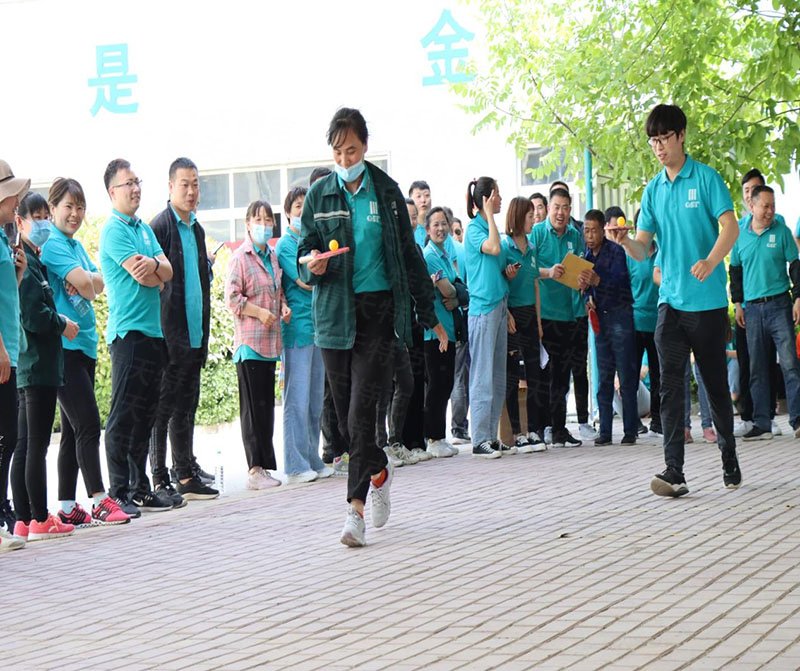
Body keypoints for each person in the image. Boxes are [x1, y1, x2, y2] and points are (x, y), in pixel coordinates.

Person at [298, 107, 444, 547]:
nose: (345, 160)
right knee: (347, 426)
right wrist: (312, 264)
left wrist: (430, 316)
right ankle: (379, 471)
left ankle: (354, 512)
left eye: (352, 150)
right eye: (338, 152)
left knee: (361, 413)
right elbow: (304, 251)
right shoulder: (319, 195)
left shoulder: (387, 192)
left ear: (365, 146)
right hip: (334, 314)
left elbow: (409, 257)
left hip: (378, 313)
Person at [611, 103, 741, 497]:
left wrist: (711, 261)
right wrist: (625, 242)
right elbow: (643, 248)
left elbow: (730, 227)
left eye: (664, 138)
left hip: (707, 304)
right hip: (669, 303)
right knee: (669, 386)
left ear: (681, 136)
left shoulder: (706, 178)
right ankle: (674, 471)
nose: (658, 147)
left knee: (715, 386)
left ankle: (729, 454)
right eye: (653, 141)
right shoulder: (653, 189)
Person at [41, 178, 130, 527]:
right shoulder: (52, 245)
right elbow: (87, 284)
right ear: (52, 209)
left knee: (72, 431)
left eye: (80, 207)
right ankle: (98, 500)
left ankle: (67, 506)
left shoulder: (75, 246)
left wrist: (88, 280)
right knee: (89, 423)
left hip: (84, 346)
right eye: (68, 206)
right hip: (64, 348)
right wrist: (87, 281)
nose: (75, 214)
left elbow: (97, 284)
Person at [100, 158, 174, 514]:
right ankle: (117, 491)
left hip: (153, 334)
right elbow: (143, 276)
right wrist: (155, 273)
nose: (135, 189)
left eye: (136, 182)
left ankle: (140, 487)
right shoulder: (113, 230)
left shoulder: (144, 228)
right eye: (127, 183)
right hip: (128, 334)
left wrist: (156, 268)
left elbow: (166, 272)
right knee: (123, 416)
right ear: (112, 192)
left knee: (146, 414)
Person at [149, 157, 219, 504]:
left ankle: (185, 473)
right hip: (169, 336)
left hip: (194, 334)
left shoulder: (197, 229)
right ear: (170, 187)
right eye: (184, 185)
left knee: (187, 406)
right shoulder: (160, 226)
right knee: (162, 409)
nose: (191, 191)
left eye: (195, 184)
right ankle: (158, 477)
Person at [11, 192, 78, 540]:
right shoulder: (24, 262)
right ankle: (38, 517)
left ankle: (24, 519)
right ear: (20, 221)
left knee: (26, 445)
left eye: (44, 216)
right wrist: (61, 323)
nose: (42, 224)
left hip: (34, 365)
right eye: (35, 217)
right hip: (36, 366)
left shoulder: (33, 261)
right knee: (34, 445)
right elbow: (33, 316)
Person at [226, 200, 290, 490]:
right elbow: (232, 298)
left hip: (270, 343)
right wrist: (259, 312)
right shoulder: (240, 257)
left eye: (267, 220)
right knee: (252, 410)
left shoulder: (272, 256)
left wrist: (283, 307)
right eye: (258, 220)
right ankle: (254, 469)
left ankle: (265, 468)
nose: (263, 225)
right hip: (250, 343)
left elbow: (278, 291)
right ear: (248, 225)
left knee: (265, 409)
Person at [730, 184, 800, 441]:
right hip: (752, 309)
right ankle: (761, 423)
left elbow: (795, 266)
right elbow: (735, 272)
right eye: (765, 206)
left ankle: (797, 420)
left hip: (780, 305)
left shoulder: (782, 232)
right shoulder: (739, 235)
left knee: (790, 364)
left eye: (773, 206)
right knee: (757, 367)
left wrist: (798, 298)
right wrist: (738, 304)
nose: (770, 211)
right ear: (752, 205)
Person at [276, 186, 334, 483]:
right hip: (297, 329)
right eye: (298, 206)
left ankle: (312, 458)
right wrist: (324, 271)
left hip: (317, 327)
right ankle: (295, 465)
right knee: (296, 400)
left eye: (305, 205)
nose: (302, 211)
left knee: (314, 401)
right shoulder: (286, 245)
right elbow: (306, 281)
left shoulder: (311, 242)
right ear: (288, 212)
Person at [465, 176, 518, 458]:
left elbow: (498, 267)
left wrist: (508, 273)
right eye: (497, 195)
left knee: (498, 376)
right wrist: (487, 215)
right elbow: (494, 248)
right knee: (482, 375)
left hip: (499, 306)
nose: (501, 199)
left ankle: (491, 436)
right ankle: (479, 439)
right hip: (483, 310)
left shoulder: (490, 228)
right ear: (487, 199)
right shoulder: (475, 229)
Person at [579, 210, 638, 445]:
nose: (589, 235)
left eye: (594, 231)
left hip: (620, 317)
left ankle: (630, 430)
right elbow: (585, 289)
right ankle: (605, 431)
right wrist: (587, 297)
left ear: (603, 230)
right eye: (586, 231)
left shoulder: (616, 252)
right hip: (599, 319)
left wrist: (598, 281)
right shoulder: (585, 256)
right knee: (603, 376)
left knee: (626, 375)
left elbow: (621, 285)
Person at [530, 188, 584, 447]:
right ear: (548, 208)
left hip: (568, 314)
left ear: (570, 210)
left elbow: (580, 269)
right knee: (542, 375)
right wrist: (549, 272)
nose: (560, 213)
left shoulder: (575, 235)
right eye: (556, 207)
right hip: (543, 314)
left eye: (565, 208)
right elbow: (528, 269)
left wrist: (583, 279)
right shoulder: (537, 233)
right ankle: (539, 429)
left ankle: (560, 429)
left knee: (563, 375)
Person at [733, 168, 782, 438]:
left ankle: (769, 416)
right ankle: (749, 416)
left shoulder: (778, 224)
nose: (750, 194)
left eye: (754, 189)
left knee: (772, 362)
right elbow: (735, 270)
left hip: (774, 303)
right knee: (747, 362)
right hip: (747, 307)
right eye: (746, 191)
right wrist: (737, 303)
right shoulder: (738, 228)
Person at [502, 196, 553, 451]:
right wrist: (507, 314)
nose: (534, 220)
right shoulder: (504, 247)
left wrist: (539, 321)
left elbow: (535, 284)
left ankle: (533, 429)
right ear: (518, 217)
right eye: (530, 216)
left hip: (530, 314)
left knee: (534, 373)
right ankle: (516, 432)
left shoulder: (532, 248)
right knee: (513, 375)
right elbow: (500, 284)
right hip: (511, 314)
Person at [0, 160, 29, 549]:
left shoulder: (3, 240)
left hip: (9, 348)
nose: (16, 202)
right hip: (2, 352)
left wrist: (18, 274)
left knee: (9, 434)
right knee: (6, 434)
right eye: (12, 196)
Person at [615, 206, 662, 436]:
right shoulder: (629, 255)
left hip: (659, 322)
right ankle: (631, 425)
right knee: (629, 377)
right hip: (634, 322)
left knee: (659, 375)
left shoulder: (662, 251)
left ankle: (658, 422)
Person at [422, 207, 461, 457]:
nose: (441, 228)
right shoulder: (430, 256)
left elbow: (457, 287)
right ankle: (433, 438)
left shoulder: (446, 254)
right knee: (437, 384)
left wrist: (456, 294)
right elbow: (449, 289)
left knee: (446, 383)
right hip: (435, 333)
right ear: (427, 229)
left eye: (444, 223)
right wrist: (456, 293)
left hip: (449, 328)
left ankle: (439, 435)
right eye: (435, 224)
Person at [409, 180, 431, 248]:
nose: (423, 200)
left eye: (427, 195)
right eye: (418, 196)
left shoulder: (438, 229)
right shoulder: (406, 230)